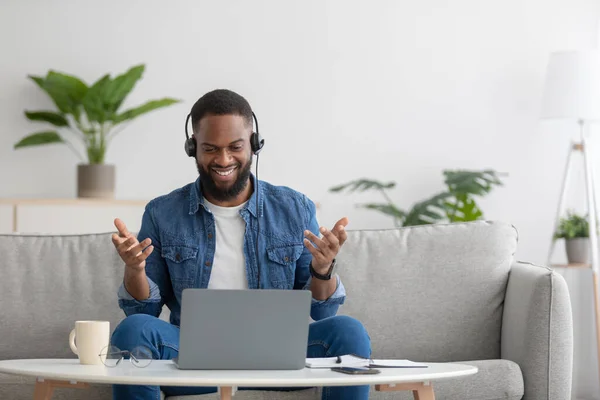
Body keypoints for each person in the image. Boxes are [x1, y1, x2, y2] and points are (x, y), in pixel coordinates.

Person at [110, 89, 371, 400]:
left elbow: (324, 310)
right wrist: (135, 269)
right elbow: (143, 310)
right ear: (192, 147)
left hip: (279, 358)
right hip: (191, 358)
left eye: (235, 147)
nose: (223, 160)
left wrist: (323, 269)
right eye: (210, 149)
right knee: (133, 331)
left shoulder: (294, 208)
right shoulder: (162, 212)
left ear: (254, 144)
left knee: (349, 331)